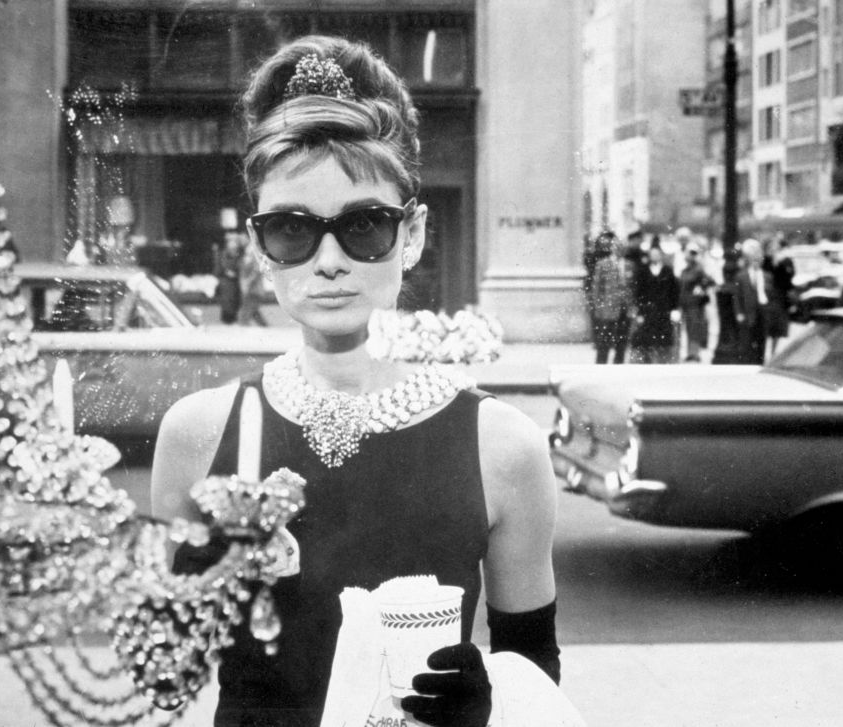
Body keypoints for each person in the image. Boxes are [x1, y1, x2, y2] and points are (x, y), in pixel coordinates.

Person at [150, 36, 560, 727]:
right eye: (291, 230)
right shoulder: (198, 432)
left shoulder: (504, 446)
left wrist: (485, 697)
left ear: (414, 234)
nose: (330, 261)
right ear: (258, 246)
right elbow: (165, 672)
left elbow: (535, 671)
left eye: (365, 225)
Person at [630, 245, 680, 364]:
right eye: (652, 254)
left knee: (664, 339)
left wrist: (674, 309)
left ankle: (663, 361)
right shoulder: (643, 271)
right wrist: (639, 311)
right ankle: (648, 361)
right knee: (647, 339)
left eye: (657, 254)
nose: (655, 256)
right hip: (648, 310)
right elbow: (639, 292)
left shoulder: (668, 271)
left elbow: (674, 291)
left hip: (664, 309)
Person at [590, 231, 633, 364]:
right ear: (612, 248)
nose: (619, 249)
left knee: (622, 340)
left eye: (622, 247)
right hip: (608, 308)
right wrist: (598, 306)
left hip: (624, 307)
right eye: (617, 247)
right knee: (604, 340)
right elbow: (597, 287)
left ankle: (618, 364)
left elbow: (632, 287)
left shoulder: (629, 265)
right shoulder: (603, 264)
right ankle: (601, 365)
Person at [733, 238, 774, 365]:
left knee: (762, 340)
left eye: (758, 260)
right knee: (747, 341)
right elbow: (737, 295)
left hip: (762, 311)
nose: (756, 263)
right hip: (748, 312)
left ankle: (759, 361)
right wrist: (739, 312)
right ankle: (748, 361)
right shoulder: (741, 276)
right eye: (754, 260)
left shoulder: (767, 276)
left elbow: (771, 295)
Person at [677, 243, 715, 362]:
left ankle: (694, 352)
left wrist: (700, 287)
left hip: (695, 304)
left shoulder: (699, 269)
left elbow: (710, 281)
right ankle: (690, 352)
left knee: (694, 328)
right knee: (688, 328)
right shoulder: (685, 270)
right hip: (685, 303)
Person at [762, 237, 794, 359]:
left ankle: (773, 353)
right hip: (768, 297)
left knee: (777, 328)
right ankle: (765, 352)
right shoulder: (765, 261)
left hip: (779, 298)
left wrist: (781, 263)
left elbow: (789, 279)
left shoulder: (785, 261)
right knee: (766, 326)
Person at [214, 232, 245, 324]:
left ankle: (231, 319)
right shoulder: (224, 255)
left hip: (234, 283)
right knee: (227, 303)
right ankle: (227, 319)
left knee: (233, 303)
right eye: (232, 248)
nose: (233, 250)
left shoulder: (238, 255)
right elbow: (221, 267)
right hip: (227, 283)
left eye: (234, 248)